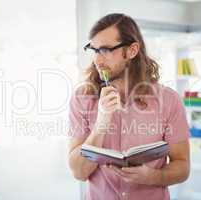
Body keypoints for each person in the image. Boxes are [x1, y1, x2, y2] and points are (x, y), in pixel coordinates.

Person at [68, 13, 190, 200]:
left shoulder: (168, 100)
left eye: (106, 50)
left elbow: (182, 167)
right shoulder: (82, 98)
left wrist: (154, 177)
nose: (98, 61)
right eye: (94, 50)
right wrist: (102, 122)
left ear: (132, 50)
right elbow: (78, 172)